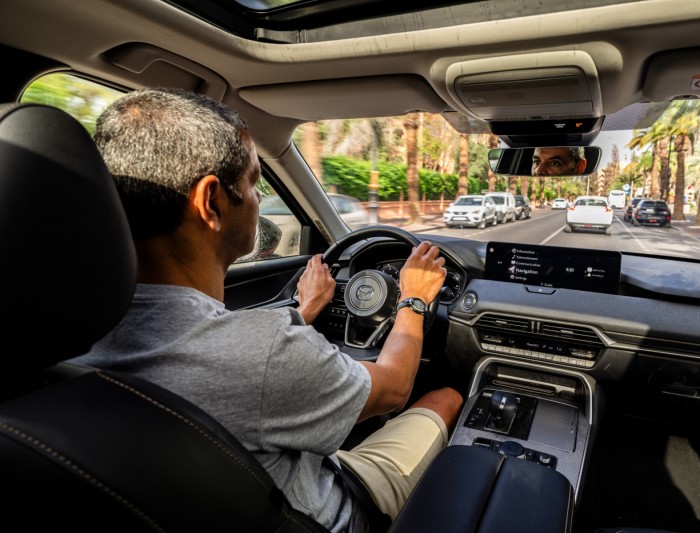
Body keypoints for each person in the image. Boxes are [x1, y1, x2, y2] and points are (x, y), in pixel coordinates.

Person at [69, 88, 463, 533]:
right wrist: (414, 298)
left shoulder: (62, 333)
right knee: (445, 397)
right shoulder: (266, 352)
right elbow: (393, 388)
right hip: (331, 514)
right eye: (257, 183)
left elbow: (233, 352)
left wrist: (302, 310)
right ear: (212, 202)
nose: (258, 200)